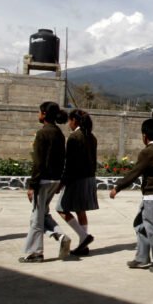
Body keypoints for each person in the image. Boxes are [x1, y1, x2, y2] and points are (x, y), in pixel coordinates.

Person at [110, 118, 153, 273]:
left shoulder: (147, 152)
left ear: (144, 136)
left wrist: (117, 188)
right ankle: (142, 258)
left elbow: (134, 172)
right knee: (140, 225)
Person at [20, 102, 71, 263]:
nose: (38, 115)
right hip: (55, 179)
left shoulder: (42, 134)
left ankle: (35, 252)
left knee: (36, 218)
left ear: (43, 114)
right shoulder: (59, 133)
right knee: (43, 214)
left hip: (42, 180)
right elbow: (63, 159)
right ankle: (60, 235)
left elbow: (38, 162)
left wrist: (32, 185)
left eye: (39, 112)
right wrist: (60, 181)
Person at [57, 109, 98, 256]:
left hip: (77, 179)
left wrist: (62, 183)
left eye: (70, 120)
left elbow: (70, 164)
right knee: (81, 210)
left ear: (75, 120)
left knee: (61, 208)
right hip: (89, 178)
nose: (69, 123)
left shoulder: (74, 138)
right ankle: (83, 245)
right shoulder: (91, 137)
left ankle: (83, 236)